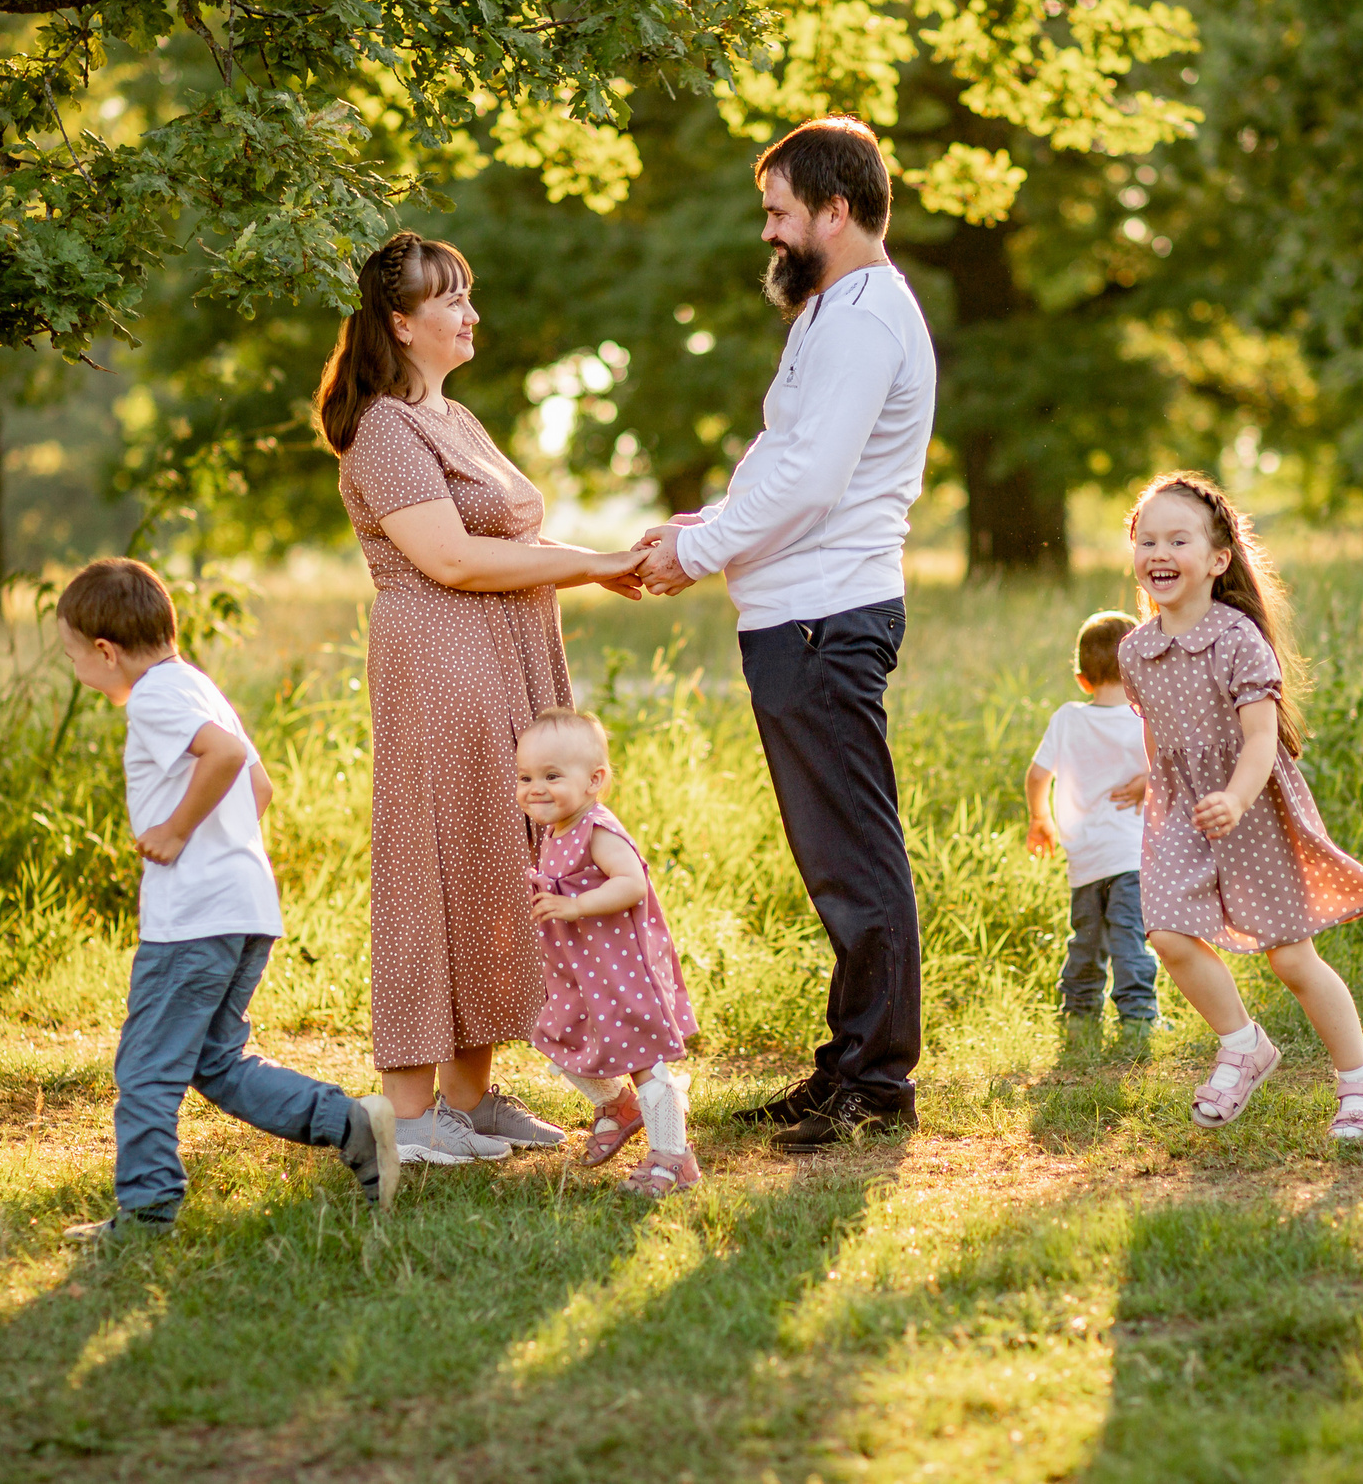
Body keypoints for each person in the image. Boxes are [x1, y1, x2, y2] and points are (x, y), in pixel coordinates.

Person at [633, 117, 937, 1151]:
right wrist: (705, 525)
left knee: (854, 859)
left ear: (834, 211)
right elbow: (786, 455)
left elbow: (811, 482)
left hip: (824, 621)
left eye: (779, 212)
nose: (767, 231)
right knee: (835, 858)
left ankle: (878, 1085)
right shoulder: (830, 314)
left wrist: (697, 553)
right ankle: (847, 1065)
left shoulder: (863, 319)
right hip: (796, 619)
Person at [321, 231, 650, 1166]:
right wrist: (591, 564)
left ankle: (468, 1096)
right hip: (443, 658)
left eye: (469, 295)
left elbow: (512, 540)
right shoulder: (385, 429)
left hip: (507, 650)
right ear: (401, 322)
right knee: (441, 859)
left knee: (497, 861)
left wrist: (608, 559)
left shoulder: (454, 418)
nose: (471, 313)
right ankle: (411, 1112)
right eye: (452, 299)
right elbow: (454, 559)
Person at [52, 558, 400, 1241]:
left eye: (72, 655)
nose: (75, 669)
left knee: (146, 1069)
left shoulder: (153, 698)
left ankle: (147, 1212)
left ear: (105, 650)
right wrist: (222, 845)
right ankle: (350, 1124)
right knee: (215, 1061)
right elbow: (258, 785)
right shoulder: (197, 685)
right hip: (243, 905)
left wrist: (178, 831)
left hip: (191, 919)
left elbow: (226, 758)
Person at [1118, 472, 1363, 1140]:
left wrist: (1236, 797)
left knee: (1291, 960)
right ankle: (1243, 1045)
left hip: (1252, 811)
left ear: (1218, 560)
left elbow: (1260, 739)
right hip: (1184, 811)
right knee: (1166, 933)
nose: (1159, 552)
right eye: (1147, 540)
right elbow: (1159, 733)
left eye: (1178, 540)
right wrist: (1148, 777)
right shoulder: (1136, 649)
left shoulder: (1237, 638)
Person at [515, 707, 704, 1197]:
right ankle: (620, 1106)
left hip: (622, 972)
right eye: (525, 777)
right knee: (559, 1037)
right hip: (580, 973)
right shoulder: (557, 829)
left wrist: (576, 905)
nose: (535, 788)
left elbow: (631, 883)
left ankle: (674, 1157)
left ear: (594, 780)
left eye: (552, 776)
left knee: (645, 1061)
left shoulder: (596, 829)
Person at [1026, 610, 1163, 1039]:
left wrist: (1040, 819)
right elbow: (1170, 769)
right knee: (1128, 935)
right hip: (1130, 855)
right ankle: (1139, 1016)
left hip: (1084, 856)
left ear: (1083, 679)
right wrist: (1147, 781)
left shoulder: (1067, 718)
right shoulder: (1145, 720)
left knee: (1085, 936)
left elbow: (1037, 776)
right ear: (1138, 672)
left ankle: (1079, 1012)